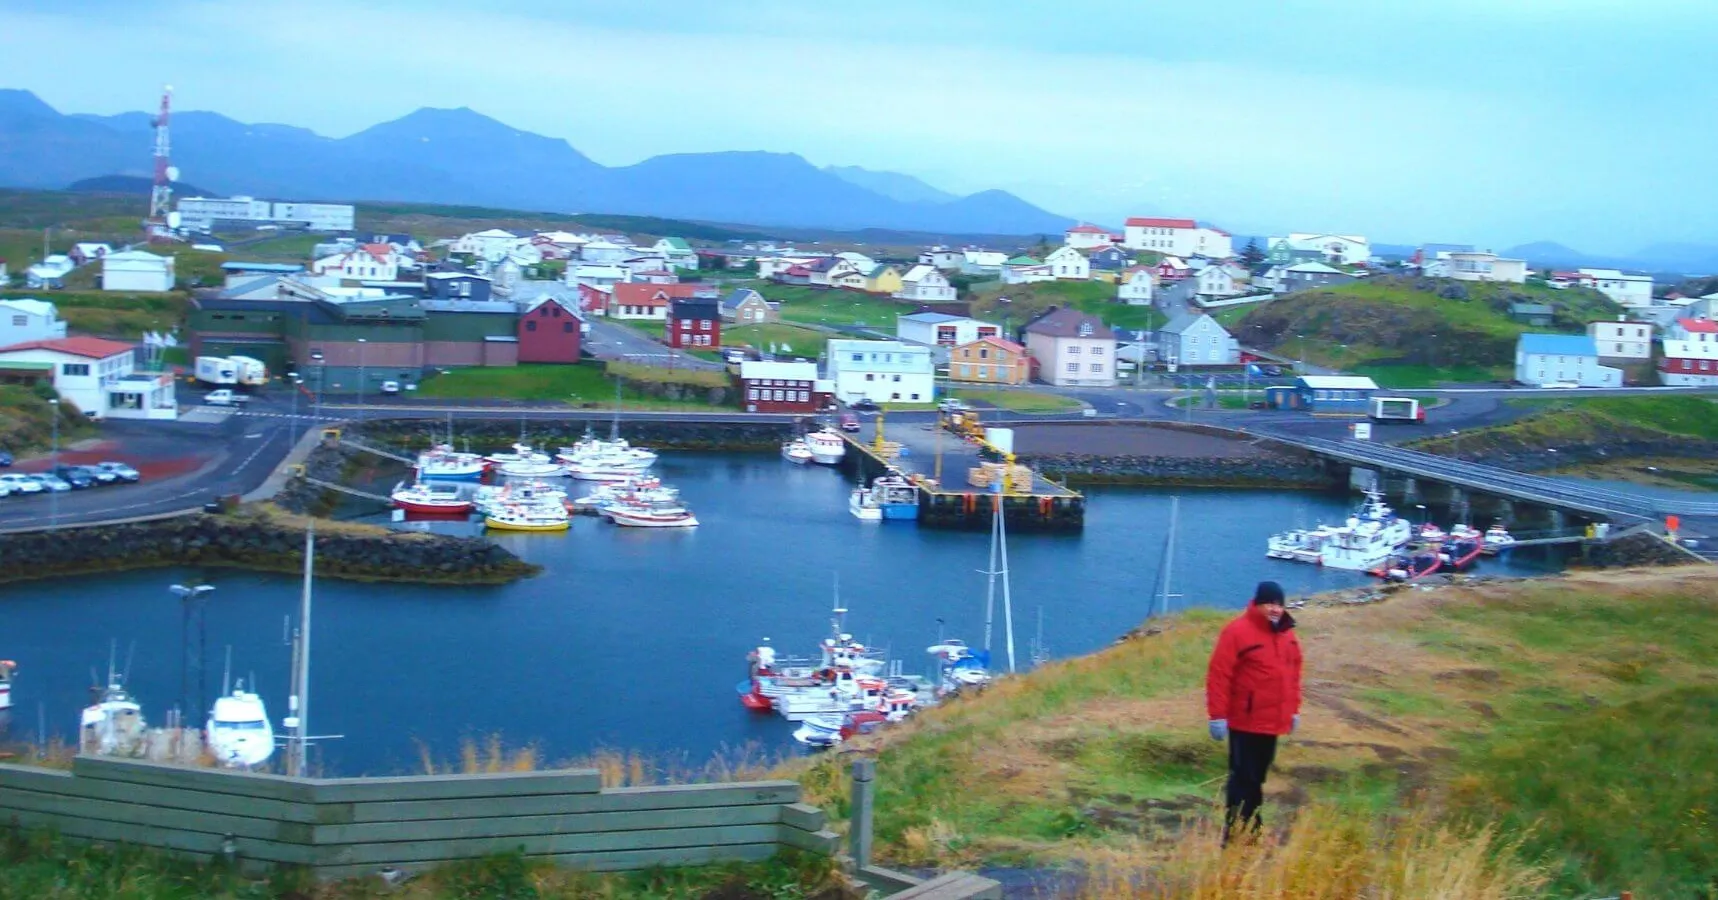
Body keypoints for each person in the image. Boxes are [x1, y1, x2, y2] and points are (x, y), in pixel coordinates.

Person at [1205, 580, 1304, 842]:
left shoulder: (1287, 635)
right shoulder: (1237, 632)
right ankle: (1237, 833)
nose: (1274, 609)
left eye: (1279, 604)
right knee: (1243, 779)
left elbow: (1292, 676)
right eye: (1269, 603)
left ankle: (1250, 829)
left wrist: (1293, 711)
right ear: (1258, 604)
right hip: (1244, 721)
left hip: (1271, 723)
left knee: (1257, 778)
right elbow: (1219, 674)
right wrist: (1217, 717)